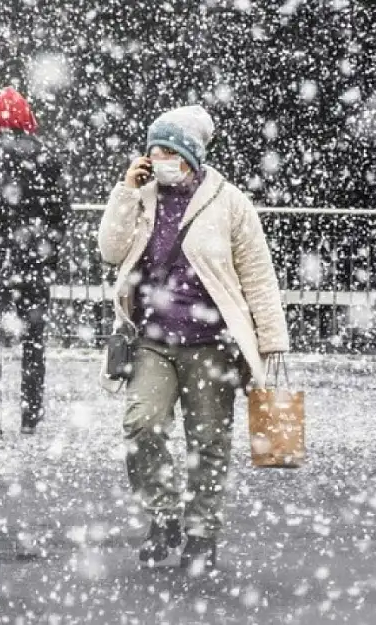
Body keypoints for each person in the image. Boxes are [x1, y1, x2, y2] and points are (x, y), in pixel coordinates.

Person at [97, 105, 289, 573]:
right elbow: (109, 249)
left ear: (190, 154)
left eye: (167, 150)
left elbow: (258, 276)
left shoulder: (229, 203)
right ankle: (163, 516)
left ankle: (202, 533)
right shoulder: (141, 196)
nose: (158, 158)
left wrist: (271, 341)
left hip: (211, 344)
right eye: (152, 151)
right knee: (141, 426)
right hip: (152, 340)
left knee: (207, 442)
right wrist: (126, 191)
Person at [0, 86, 70, 439]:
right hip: (33, 263)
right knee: (33, 344)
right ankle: (30, 417)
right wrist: (49, 254)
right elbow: (59, 215)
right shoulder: (47, 158)